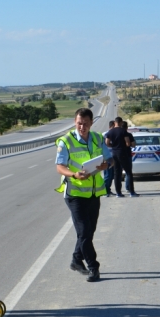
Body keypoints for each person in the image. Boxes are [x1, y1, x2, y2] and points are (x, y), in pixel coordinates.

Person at [56, 108, 112, 282]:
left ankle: (75, 259)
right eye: (79, 123)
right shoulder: (66, 141)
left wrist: (106, 165)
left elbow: (109, 159)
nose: (82, 127)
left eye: (86, 123)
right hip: (74, 193)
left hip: (93, 193)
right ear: (75, 122)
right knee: (84, 231)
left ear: (91, 123)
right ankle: (93, 267)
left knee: (89, 231)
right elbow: (60, 166)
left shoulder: (97, 138)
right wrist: (74, 174)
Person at [105, 117, 139, 197]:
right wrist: (126, 145)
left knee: (117, 173)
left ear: (114, 122)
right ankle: (131, 192)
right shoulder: (123, 131)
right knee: (128, 172)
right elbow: (127, 143)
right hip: (122, 153)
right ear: (120, 122)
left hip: (114, 153)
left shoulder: (110, 131)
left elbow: (107, 143)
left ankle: (118, 193)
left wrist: (113, 146)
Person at [121, 121, 136, 193]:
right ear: (127, 128)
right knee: (128, 172)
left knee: (117, 173)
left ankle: (118, 190)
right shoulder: (129, 135)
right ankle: (128, 188)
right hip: (127, 155)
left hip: (118, 155)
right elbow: (133, 144)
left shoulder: (117, 134)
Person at [102, 120, 115, 196]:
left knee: (111, 175)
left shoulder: (113, 134)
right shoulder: (105, 135)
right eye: (113, 127)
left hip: (113, 157)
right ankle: (105, 191)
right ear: (110, 127)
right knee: (107, 175)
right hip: (106, 157)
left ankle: (108, 190)